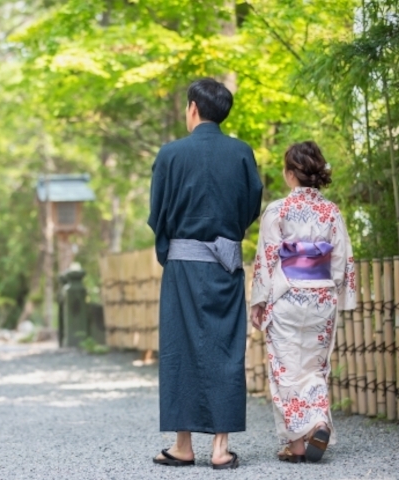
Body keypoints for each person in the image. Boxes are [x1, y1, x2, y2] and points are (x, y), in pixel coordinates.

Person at [148, 78, 263, 470]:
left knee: (180, 348)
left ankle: (182, 445)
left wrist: (171, 251)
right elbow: (250, 207)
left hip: (182, 264)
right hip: (225, 263)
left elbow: (158, 214)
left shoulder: (170, 155)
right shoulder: (242, 153)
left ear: (193, 108)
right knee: (225, 349)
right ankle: (220, 448)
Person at [249, 141, 356, 463]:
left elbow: (267, 258)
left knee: (285, 370)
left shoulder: (278, 210)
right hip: (322, 294)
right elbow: (342, 259)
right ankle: (318, 422)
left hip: (286, 295)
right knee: (314, 367)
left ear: (291, 173)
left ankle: (296, 444)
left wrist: (258, 301)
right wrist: (338, 294)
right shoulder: (331, 211)